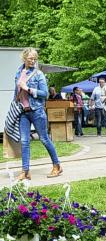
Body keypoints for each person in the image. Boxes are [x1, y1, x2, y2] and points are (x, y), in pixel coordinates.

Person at [14, 47, 62, 180]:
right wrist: (15, 105)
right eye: (30, 58)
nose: (33, 61)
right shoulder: (19, 72)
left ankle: (57, 166)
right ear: (24, 58)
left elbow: (45, 94)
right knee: (24, 141)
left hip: (37, 111)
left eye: (35, 58)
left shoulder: (38, 74)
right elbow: (16, 93)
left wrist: (28, 88)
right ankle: (25, 171)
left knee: (44, 139)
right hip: (23, 112)